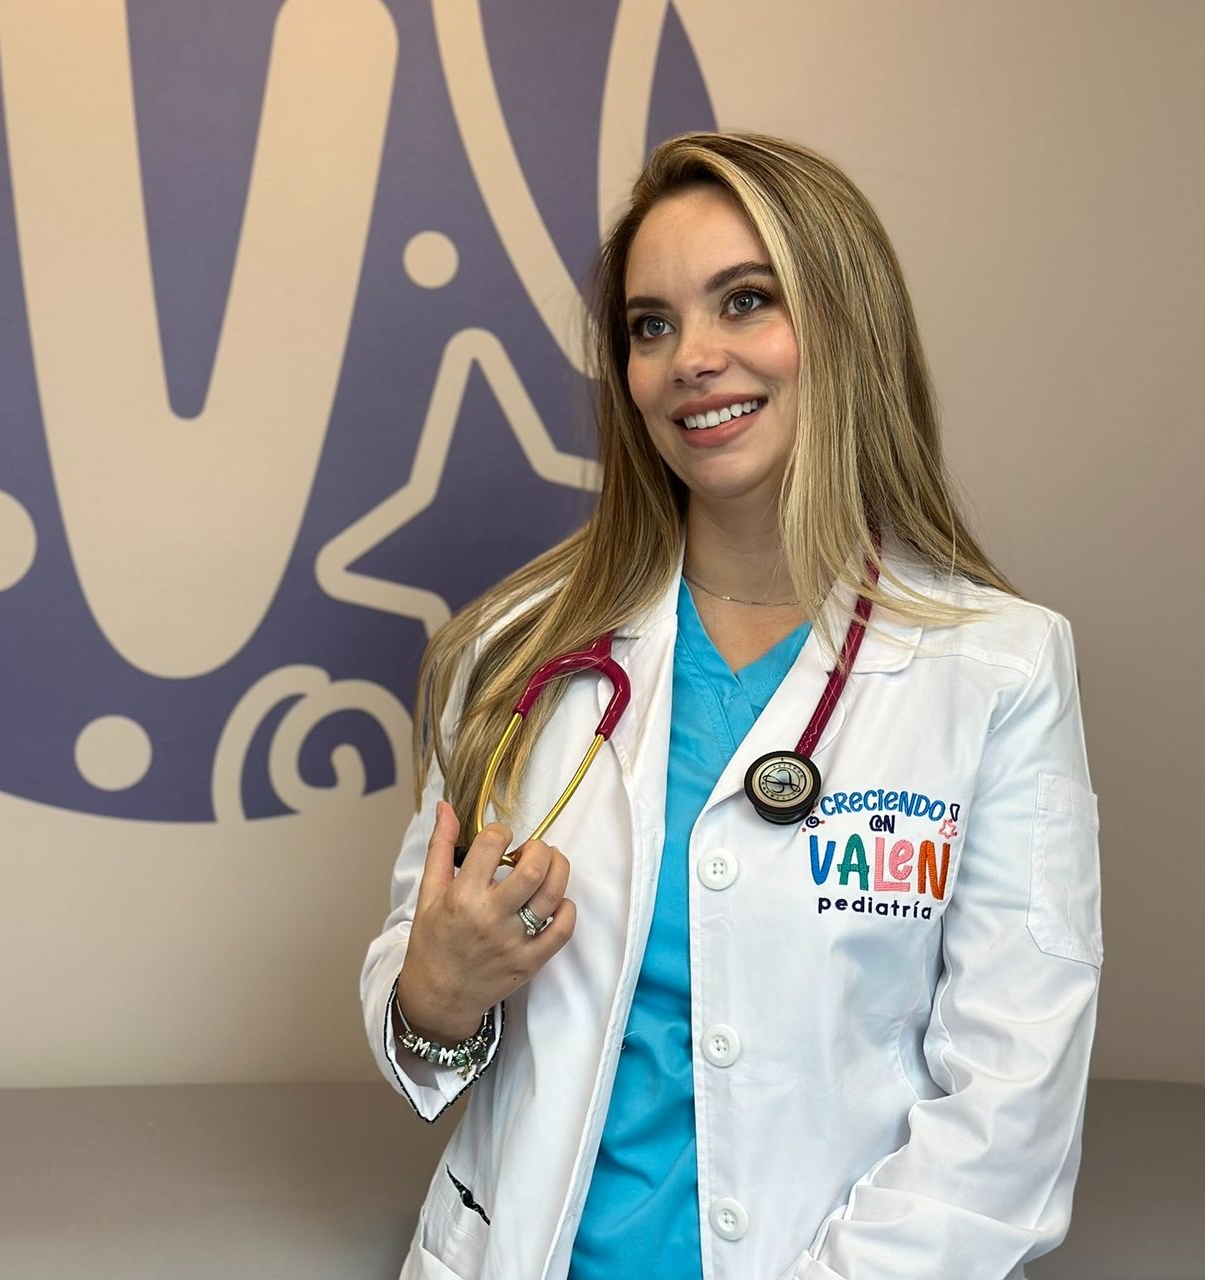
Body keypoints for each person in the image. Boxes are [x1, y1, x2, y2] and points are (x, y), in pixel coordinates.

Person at [361, 132, 1102, 1280]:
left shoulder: (998, 668)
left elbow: (1009, 1114)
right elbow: (419, 1031)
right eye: (649, 325)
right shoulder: (516, 653)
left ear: (845, 325)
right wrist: (434, 997)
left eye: (744, 301)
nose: (690, 358)